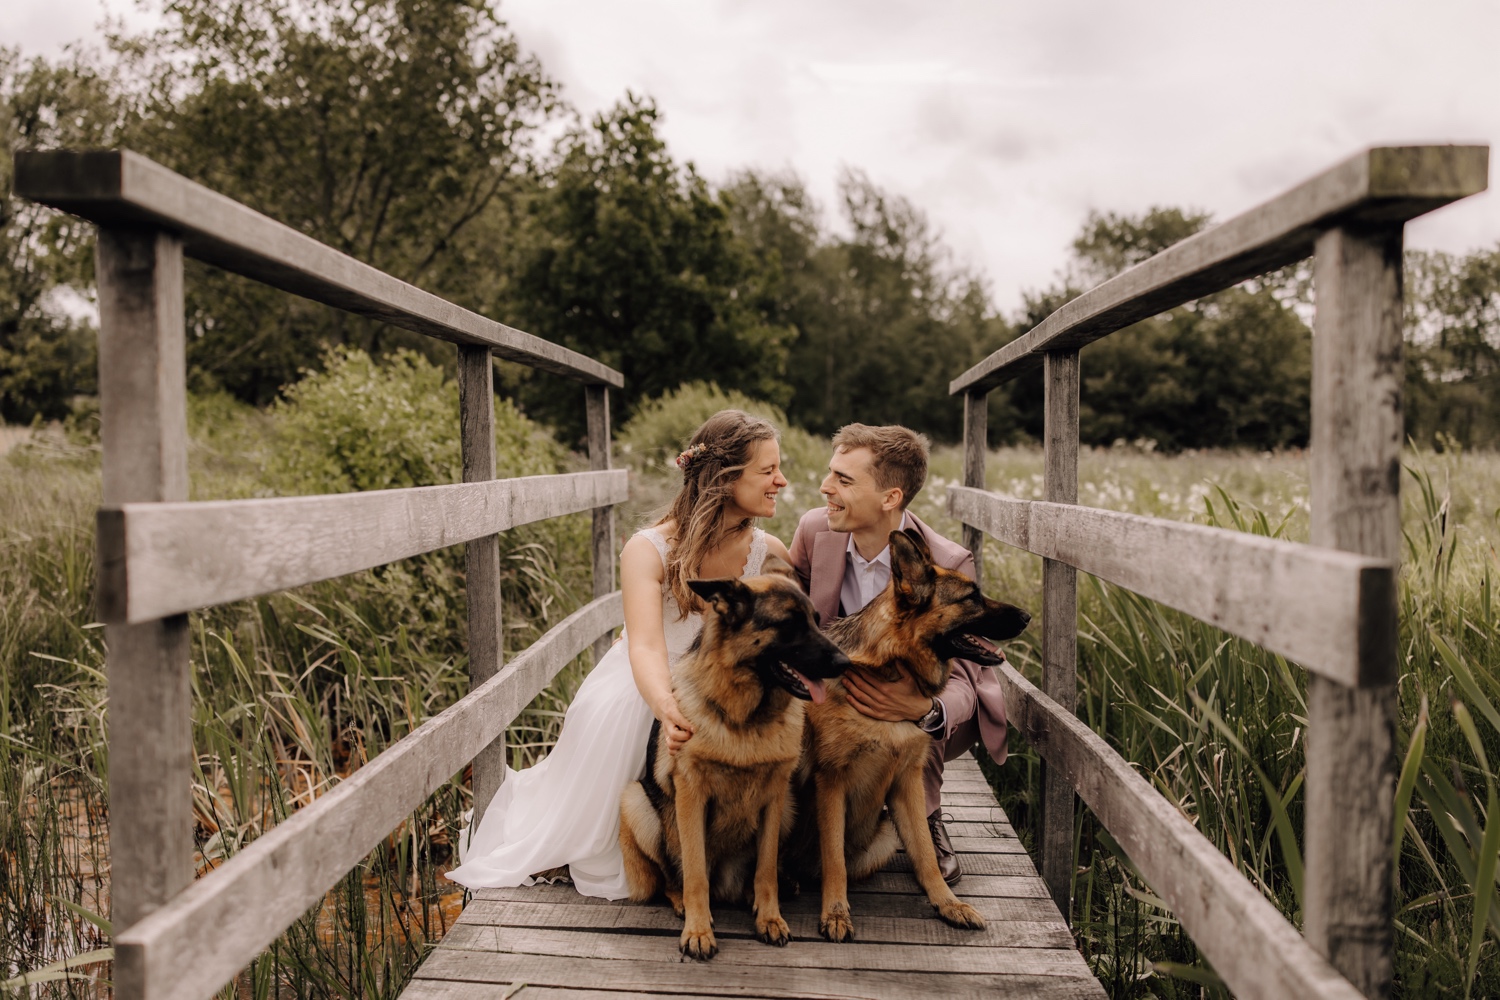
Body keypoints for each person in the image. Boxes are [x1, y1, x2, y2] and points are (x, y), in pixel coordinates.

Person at [447, 410, 794, 899]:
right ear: (724, 478)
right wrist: (667, 706)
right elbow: (647, 645)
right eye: (768, 470)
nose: (781, 480)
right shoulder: (648, 548)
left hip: (724, 688)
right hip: (649, 682)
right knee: (628, 724)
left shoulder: (770, 551)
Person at [787, 423, 1011, 886]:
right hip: (836, 687)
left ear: (890, 498)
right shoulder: (815, 530)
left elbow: (967, 681)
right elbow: (792, 603)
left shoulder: (948, 562)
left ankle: (926, 817)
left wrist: (923, 709)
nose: (825, 488)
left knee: (910, 710)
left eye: (844, 480)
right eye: (831, 474)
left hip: (912, 689)